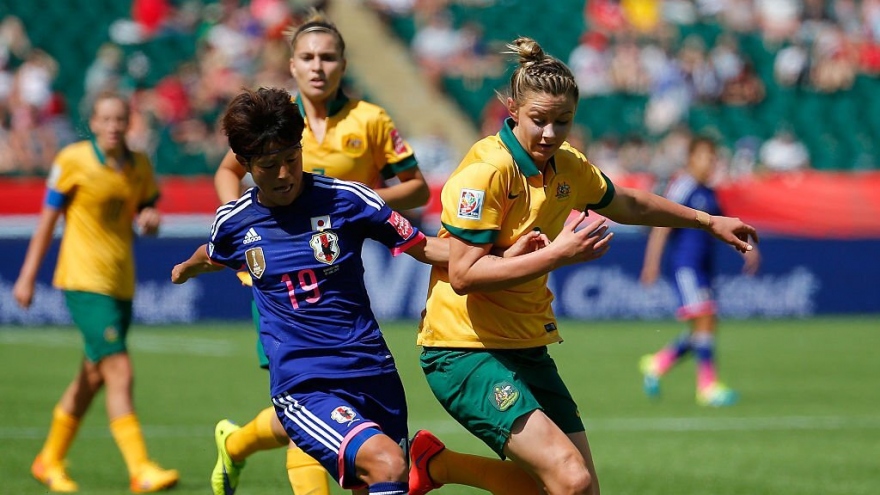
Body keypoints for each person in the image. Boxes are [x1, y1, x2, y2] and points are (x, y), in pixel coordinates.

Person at [415, 37, 759, 495]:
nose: (550, 133)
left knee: (578, 490)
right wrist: (557, 254)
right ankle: (439, 466)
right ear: (513, 110)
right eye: (539, 120)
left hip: (526, 345)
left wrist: (707, 221)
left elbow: (628, 203)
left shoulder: (567, 165)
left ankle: (435, 465)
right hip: (463, 349)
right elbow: (463, 276)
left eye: (563, 121)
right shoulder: (486, 172)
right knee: (570, 480)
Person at [172, 87, 549, 495]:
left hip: (374, 372)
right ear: (244, 164)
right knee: (387, 463)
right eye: (268, 166)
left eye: (291, 159)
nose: (283, 174)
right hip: (306, 382)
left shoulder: (346, 199)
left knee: (384, 478)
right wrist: (186, 269)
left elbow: (425, 247)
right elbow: (212, 253)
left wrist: (501, 254)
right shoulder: (235, 222)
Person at [210, 11, 430, 495]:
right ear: (292, 65)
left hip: (335, 273)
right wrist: (247, 233)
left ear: (344, 64)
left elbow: (417, 189)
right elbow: (228, 171)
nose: (318, 67)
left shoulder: (371, 120)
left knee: (321, 409)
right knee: (307, 396)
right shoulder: (275, 122)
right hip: (278, 277)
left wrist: (355, 206)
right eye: (308, 57)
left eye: (328, 57)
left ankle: (236, 443)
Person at [12, 92, 179, 493]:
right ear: (93, 123)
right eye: (105, 119)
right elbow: (47, 220)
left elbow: (148, 212)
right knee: (119, 369)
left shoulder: (139, 164)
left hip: (121, 283)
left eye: (120, 119)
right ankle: (140, 469)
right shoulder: (73, 160)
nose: (113, 126)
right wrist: (27, 276)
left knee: (92, 376)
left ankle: (49, 459)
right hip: (84, 281)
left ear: (129, 122)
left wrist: (151, 220)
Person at [639, 136, 761, 407]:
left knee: (705, 325)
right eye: (706, 156)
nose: (710, 162)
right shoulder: (683, 186)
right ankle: (707, 387)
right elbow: (662, 224)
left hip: (704, 268)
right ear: (692, 158)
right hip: (687, 267)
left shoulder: (709, 192)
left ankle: (659, 363)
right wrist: (651, 263)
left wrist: (746, 248)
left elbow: (723, 227)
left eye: (714, 157)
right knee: (705, 320)